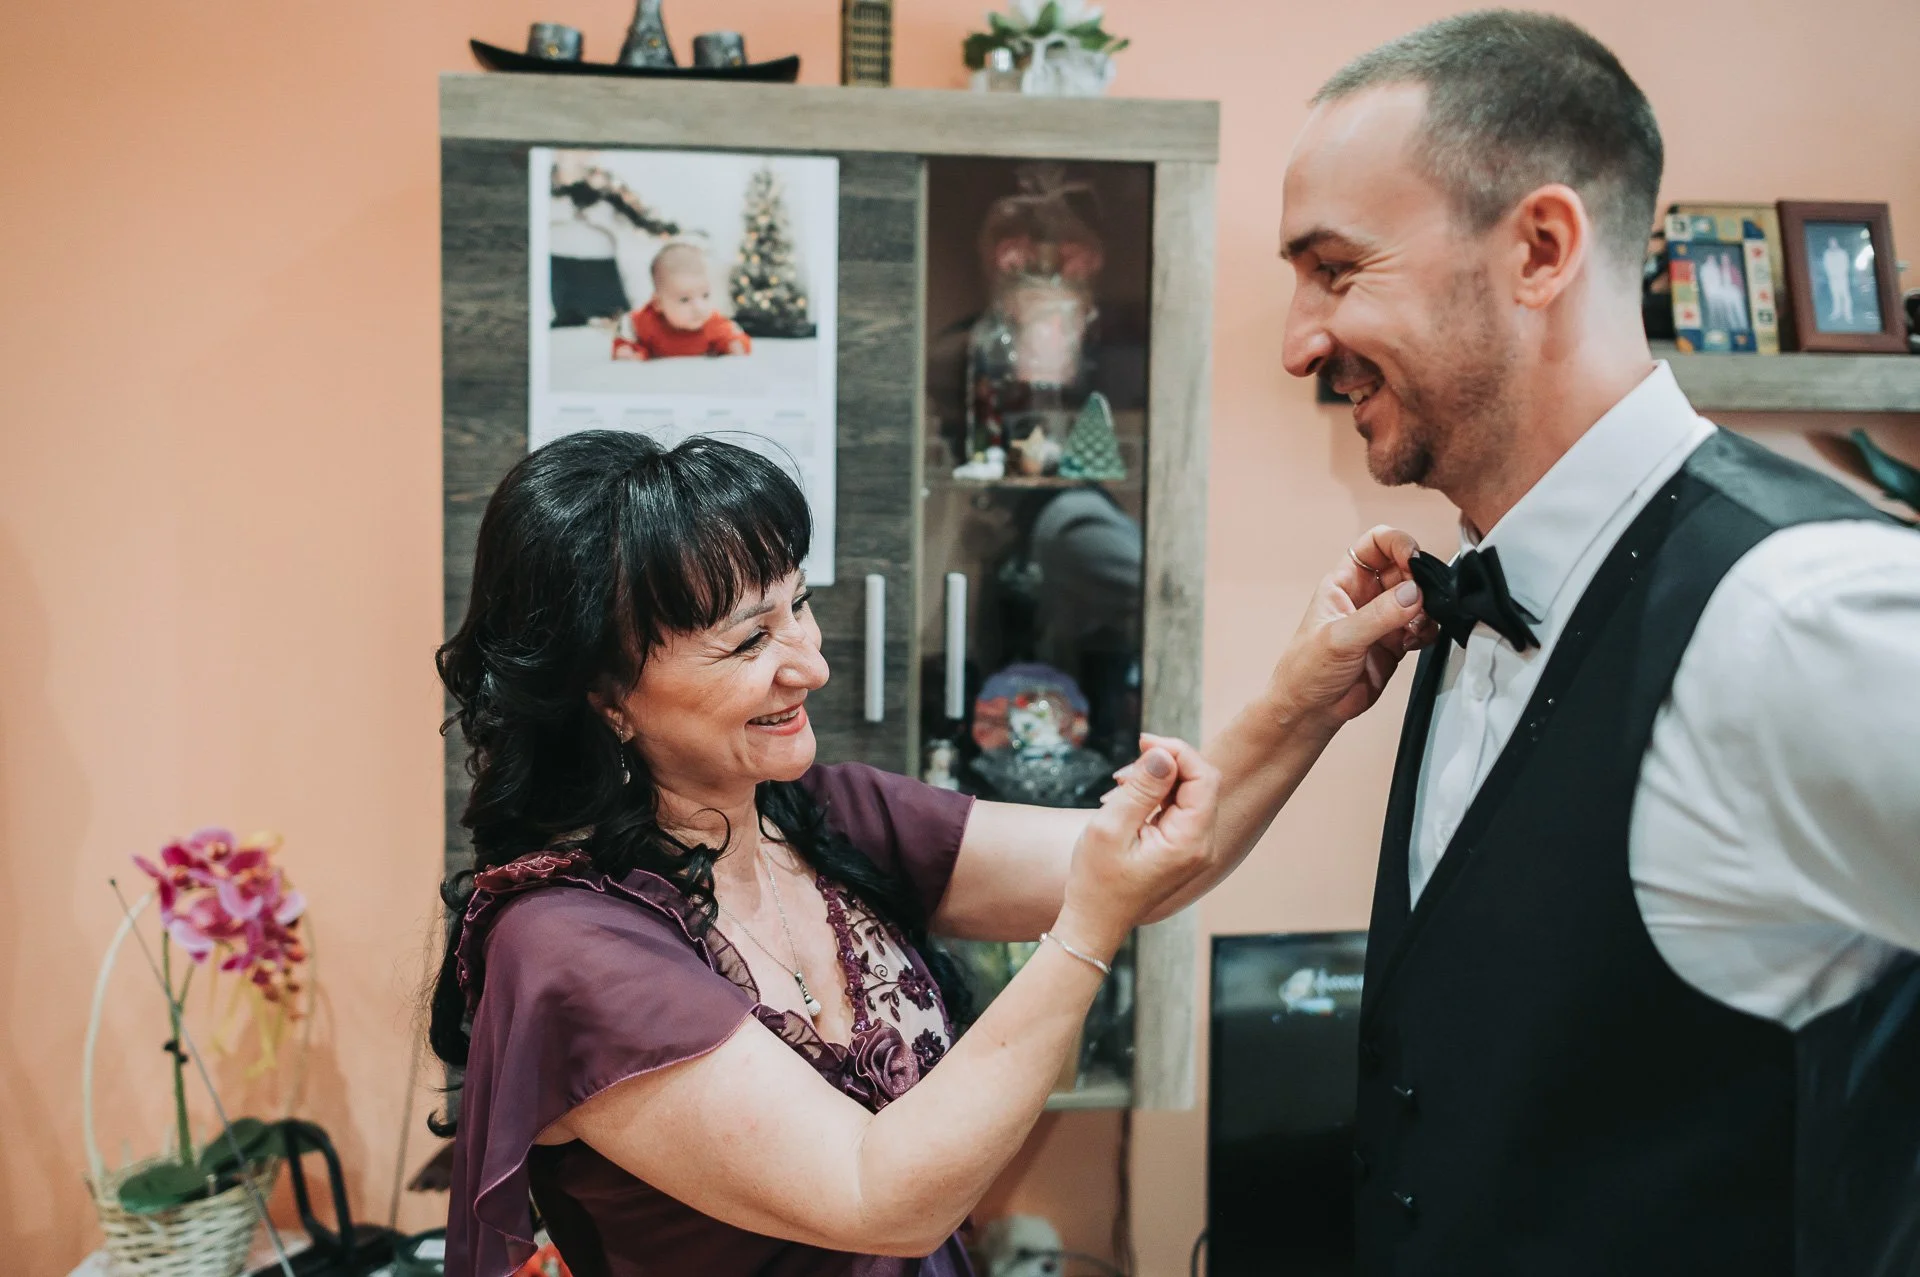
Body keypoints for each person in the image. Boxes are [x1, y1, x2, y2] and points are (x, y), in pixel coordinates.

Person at [1207, 10, 1920, 1274]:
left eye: (1336, 269)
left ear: (1539, 248)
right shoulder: (1465, 583)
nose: (1298, 340)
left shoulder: (1801, 614)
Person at [430, 430, 1431, 1276]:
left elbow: (1158, 851)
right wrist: (1085, 931)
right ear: (604, 693)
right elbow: (878, 1193)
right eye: (749, 642)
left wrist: (1307, 695)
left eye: (800, 607)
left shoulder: (813, 812)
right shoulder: (567, 943)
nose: (812, 663)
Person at [612, 241, 751, 361]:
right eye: (685, 300)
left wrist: (735, 346)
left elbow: (734, 336)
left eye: (705, 295)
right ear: (658, 303)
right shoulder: (647, 322)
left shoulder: (712, 324)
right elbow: (627, 335)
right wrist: (627, 350)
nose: (699, 307)